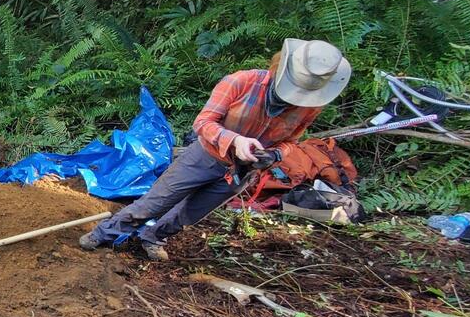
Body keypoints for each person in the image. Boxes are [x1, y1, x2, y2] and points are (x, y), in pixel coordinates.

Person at [79, 39, 350, 261]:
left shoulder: (310, 106)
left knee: (191, 213)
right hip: (205, 156)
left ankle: (153, 238)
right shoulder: (242, 82)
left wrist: (276, 155)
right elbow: (203, 122)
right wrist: (236, 141)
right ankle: (105, 233)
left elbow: (292, 141)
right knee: (156, 201)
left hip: (242, 172)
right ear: (281, 68)